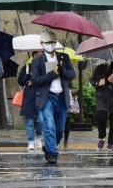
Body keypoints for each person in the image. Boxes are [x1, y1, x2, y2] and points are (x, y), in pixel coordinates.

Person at [31, 31, 76, 163]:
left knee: (60, 129)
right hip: (47, 97)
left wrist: (63, 72)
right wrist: (52, 74)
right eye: (47, 43)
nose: (50, 45)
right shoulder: (37, 61)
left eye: (52, 42)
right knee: (49, 125)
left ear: (56, 43)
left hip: (62, 97)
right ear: (41, 44)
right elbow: (35, 80)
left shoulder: (64, 57)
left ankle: (49, 146)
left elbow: (72, 74)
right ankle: (52, 153)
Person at [18, 51, 44, 151]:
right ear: (32, 56)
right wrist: (29, 76)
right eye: (36, 55)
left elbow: (48, 79)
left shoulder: (45, 68)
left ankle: (38, 137)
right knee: (29, 121)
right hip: (29, 98)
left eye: (41, 55)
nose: (39, 57)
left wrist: (35, 80)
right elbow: (20, 80)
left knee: (40, 120)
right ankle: (30, 141)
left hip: (41, 97)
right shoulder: (27, 67)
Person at [90, 60, 113, 150]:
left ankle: (111, 141)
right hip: (101, 96)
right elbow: (92, 81)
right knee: (101, 117)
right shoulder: (99, 68)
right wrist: (98, 83)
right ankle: (102, 137)